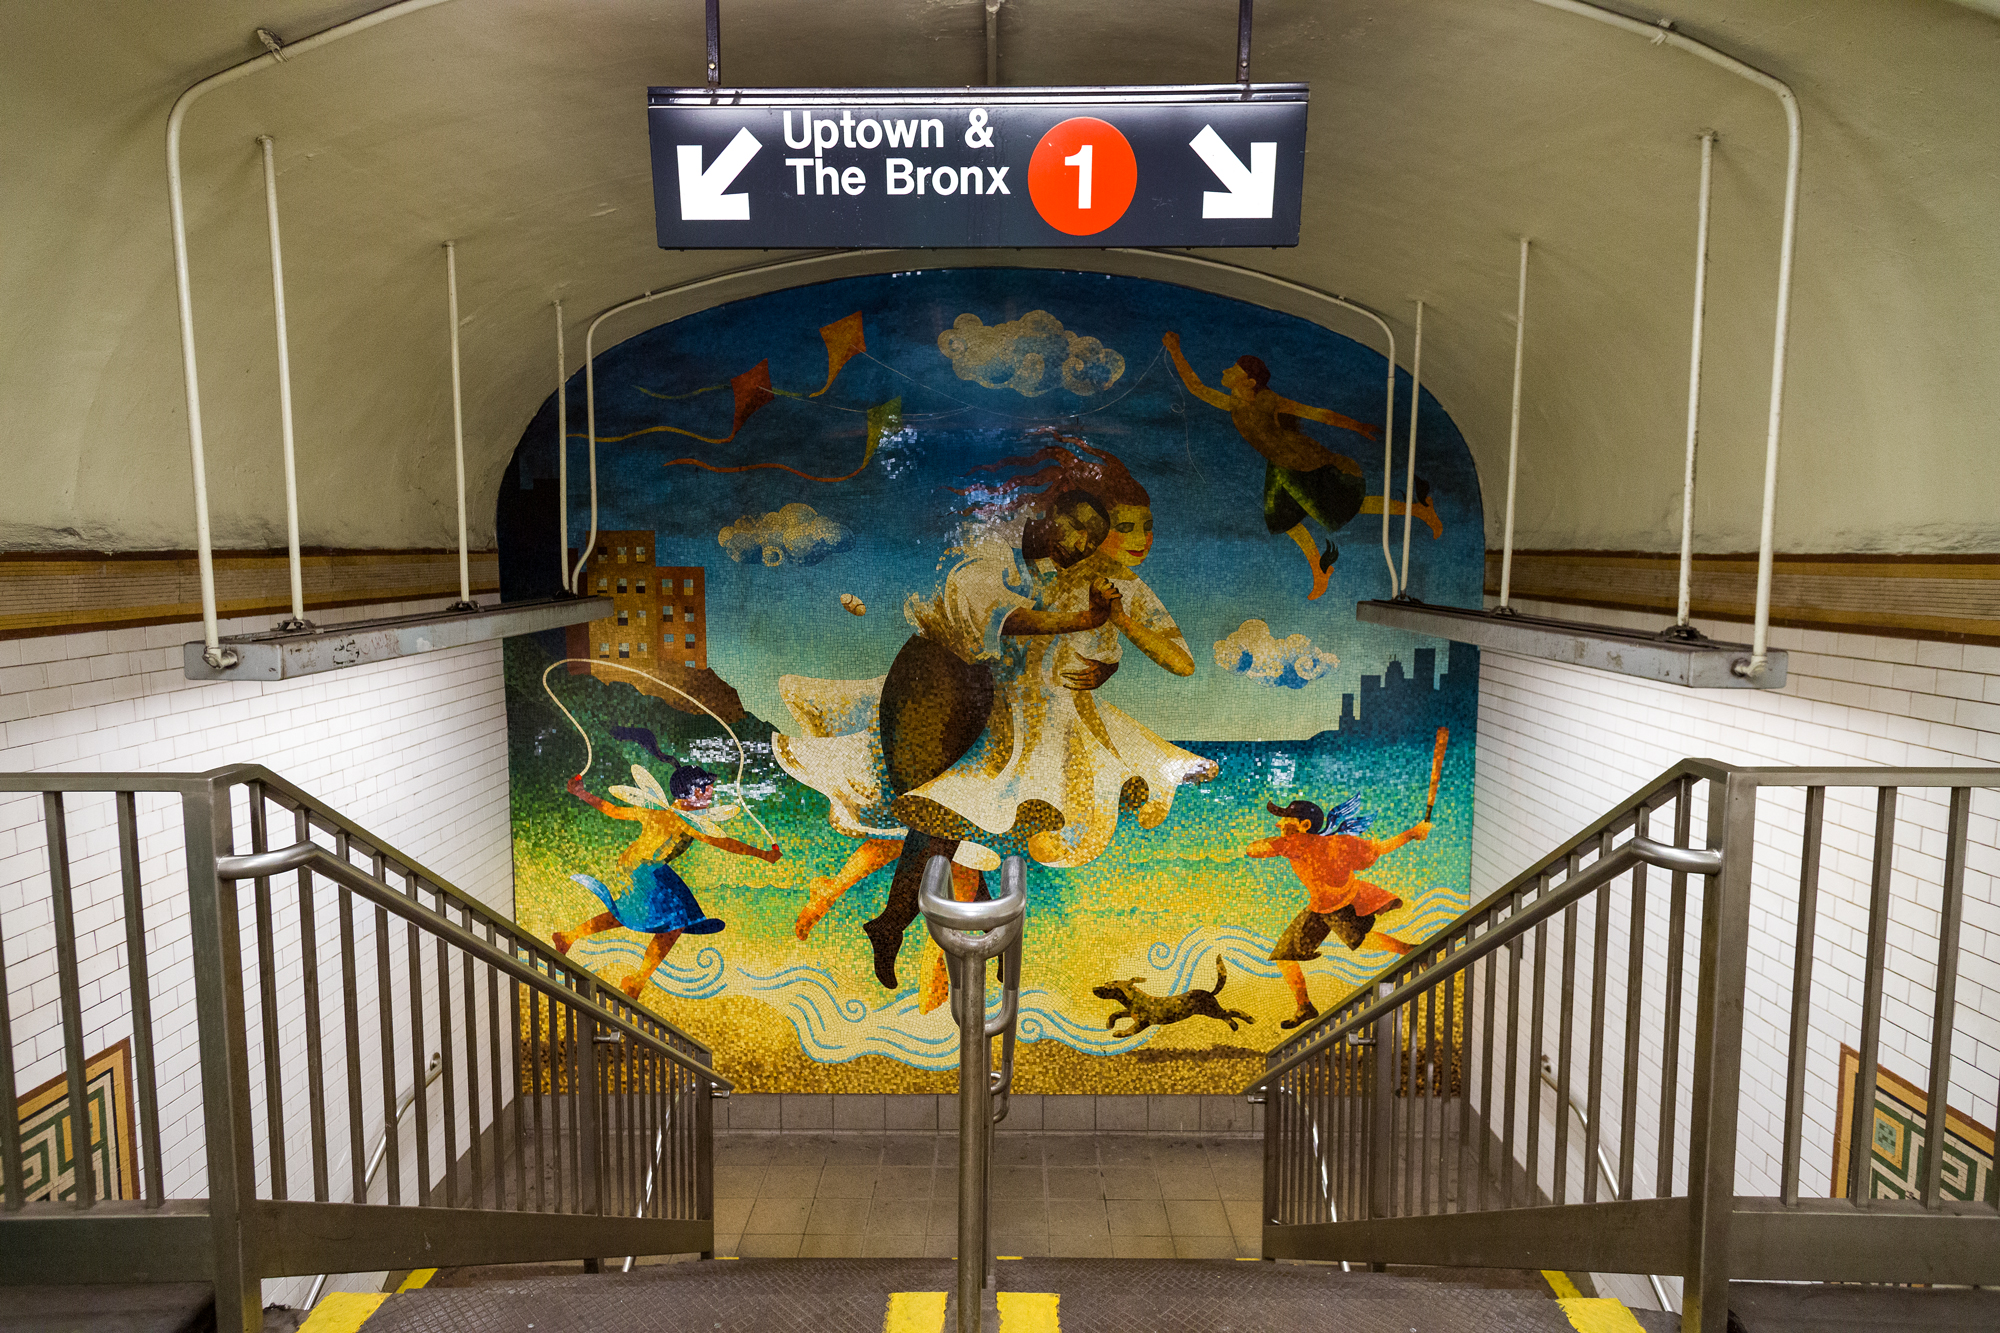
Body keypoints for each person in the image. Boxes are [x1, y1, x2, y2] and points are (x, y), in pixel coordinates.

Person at [775, 459, 1120, 987]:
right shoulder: (990, 547)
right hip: (932, 680)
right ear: (1052, 513)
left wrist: (1104, 662)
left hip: (974, 690)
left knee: (950, 815)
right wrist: (1085, 620)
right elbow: (995, 616)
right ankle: (905, 926)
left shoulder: (1038, 572)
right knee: (940, 815)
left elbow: (1045, 643)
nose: (1081, 545)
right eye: (1078, 529)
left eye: (1091, 542)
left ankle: (910, 927)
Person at [1163, 331, 1439, 601]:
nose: (1224, 371)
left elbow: (1316, 414)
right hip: (1280, 465)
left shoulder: (1269, 400)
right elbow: (1196, 388)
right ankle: (1320, 570)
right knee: (1281, 520)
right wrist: (1175, 351)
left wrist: (1356, 426)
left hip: (1303, 462)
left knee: (1344, 508)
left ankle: (1418, 511)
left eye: (1232, 370)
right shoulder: (1233, 403)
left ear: (1248, 381)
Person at [555, 762, 781, 1000]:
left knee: (633, 915)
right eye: (707, 788)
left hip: (644, 867)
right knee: (672, 921)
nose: (711, 793)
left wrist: (581, 793)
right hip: (643, 869)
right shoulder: (684, 821)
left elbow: (613, 810)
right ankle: (637, 981)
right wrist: (763, 855)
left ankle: (568, 938)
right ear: (693, 792)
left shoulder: (661, 811)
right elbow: (724, 843)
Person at [1248, 795, 1430, 1029]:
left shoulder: (1295, 843)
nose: (1279, 823)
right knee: (1285, 955)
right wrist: (1412, 834)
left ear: (1304, 825)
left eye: (1286, 819)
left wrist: (1281, 840)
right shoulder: (1339, 842)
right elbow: (1380, 848)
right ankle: (1304, 1007)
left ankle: (1412, 951)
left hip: (1340, 905)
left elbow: (1253, 850)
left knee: (1359, 940)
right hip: (1320, 906)